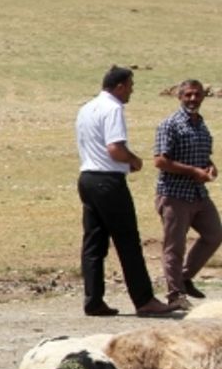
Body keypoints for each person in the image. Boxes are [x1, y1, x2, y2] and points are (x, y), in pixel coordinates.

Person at [75, 66, 178, 317]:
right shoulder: (113, 109)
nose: (132, 90)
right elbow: (114, 148)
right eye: (130, 85)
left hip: (87, 177)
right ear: (120, 86)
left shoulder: (86, 108)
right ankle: (144, 300)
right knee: (127, 240)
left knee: (94, 243)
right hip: (108, 182)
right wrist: (134, 161)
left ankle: (93, 300)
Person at [153, 78, 219, 309]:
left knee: (214, 234)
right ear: (179, 97)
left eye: (197, 94)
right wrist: (193, 171)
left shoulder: (200, 124)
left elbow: (202, 157)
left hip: (198, 193)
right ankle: (175, 294)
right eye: (188, 95)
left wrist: (210, 167)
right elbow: (160, 160)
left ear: (203, 96)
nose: (193, 99)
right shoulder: (170, 124)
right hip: (174, 194)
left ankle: (185, 277)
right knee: (175, 246)